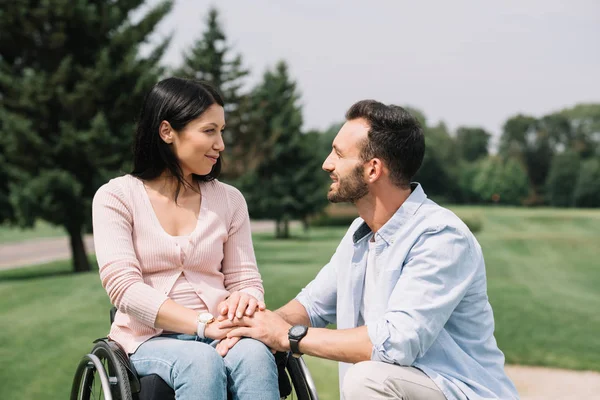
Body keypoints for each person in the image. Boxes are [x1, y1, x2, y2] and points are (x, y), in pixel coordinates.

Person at [217, 100, 520, 400]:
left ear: (373, 169)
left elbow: (397, 342)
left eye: (338, 153)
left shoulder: (441, 236)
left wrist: (287, 336)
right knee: (366, 376)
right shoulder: (358, 234)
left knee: (367, 378)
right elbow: (312, 306)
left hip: (465, 393)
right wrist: (255, 325)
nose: (327, 164)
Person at [92, 77, 279, 400]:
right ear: (167, 132)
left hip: (220, 331)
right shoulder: (116, 197)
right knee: (200, 361)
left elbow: (245, 278)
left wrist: (245, 297)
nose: (220, 144)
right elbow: (124, 288)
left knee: (256, 356)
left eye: (222, 131)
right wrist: (201, 324)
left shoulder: (230, 200)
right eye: (209, 131)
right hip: (147, 339)